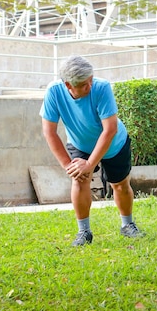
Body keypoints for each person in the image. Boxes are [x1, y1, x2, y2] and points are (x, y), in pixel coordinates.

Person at [40, 55, 142, 246]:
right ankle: (84, 231)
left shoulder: (101, 87)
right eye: (84, 85)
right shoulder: (54, 92)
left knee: (119, 185)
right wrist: (69, 166)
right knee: (79, 180)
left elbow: (110, 129)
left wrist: (89, 164)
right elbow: (49, 132)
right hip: (80, 143)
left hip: (113, 143)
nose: (90, 86)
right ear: (68, 85)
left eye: (91, 80)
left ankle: (127, 225)